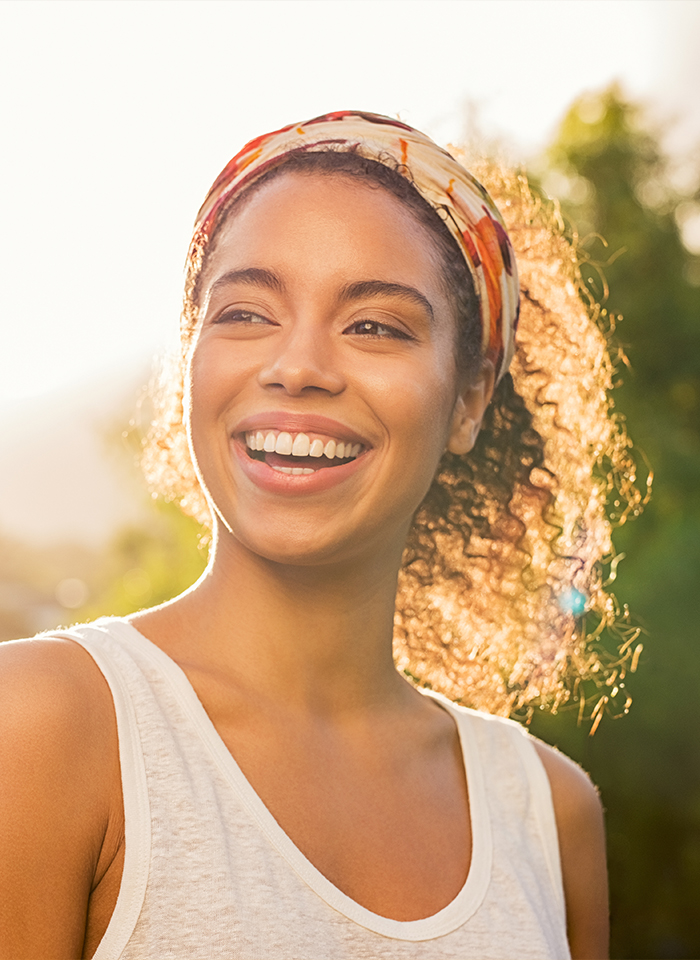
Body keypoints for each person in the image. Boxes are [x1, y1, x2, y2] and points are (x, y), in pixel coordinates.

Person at [0, 111, 640, 959]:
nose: (297, 366)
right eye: (245, 313)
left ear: (472, 396)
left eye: (375, 325)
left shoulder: (549, 814)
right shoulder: (43, 726)